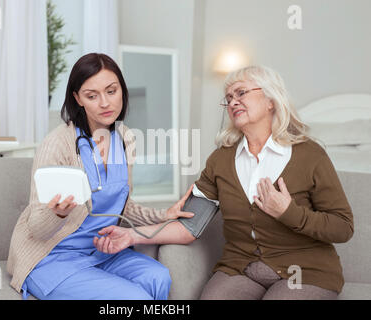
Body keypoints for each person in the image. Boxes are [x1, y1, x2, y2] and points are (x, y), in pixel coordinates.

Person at [94, 65, 354, 300]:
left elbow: (343, 227)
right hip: (241, 269)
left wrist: (289, 212)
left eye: (241, 93)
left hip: (305, 271)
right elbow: (189, 226)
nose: (233, 102)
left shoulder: (310, 154)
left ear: (270, 101)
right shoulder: (220, 160)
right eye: (228, 98)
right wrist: (129, 235)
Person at [6, 53, 194, 300]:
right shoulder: (57, 145)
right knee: (135, 299)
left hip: (101, 250)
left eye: (111, 91)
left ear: (122, 91)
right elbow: (37, 228)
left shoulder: (125, 137)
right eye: (92, 96)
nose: (105, 103)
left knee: (158, 278)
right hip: (52, 256)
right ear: (78, 99)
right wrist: (58, 213)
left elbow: (120, 206)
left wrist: (164, 215)